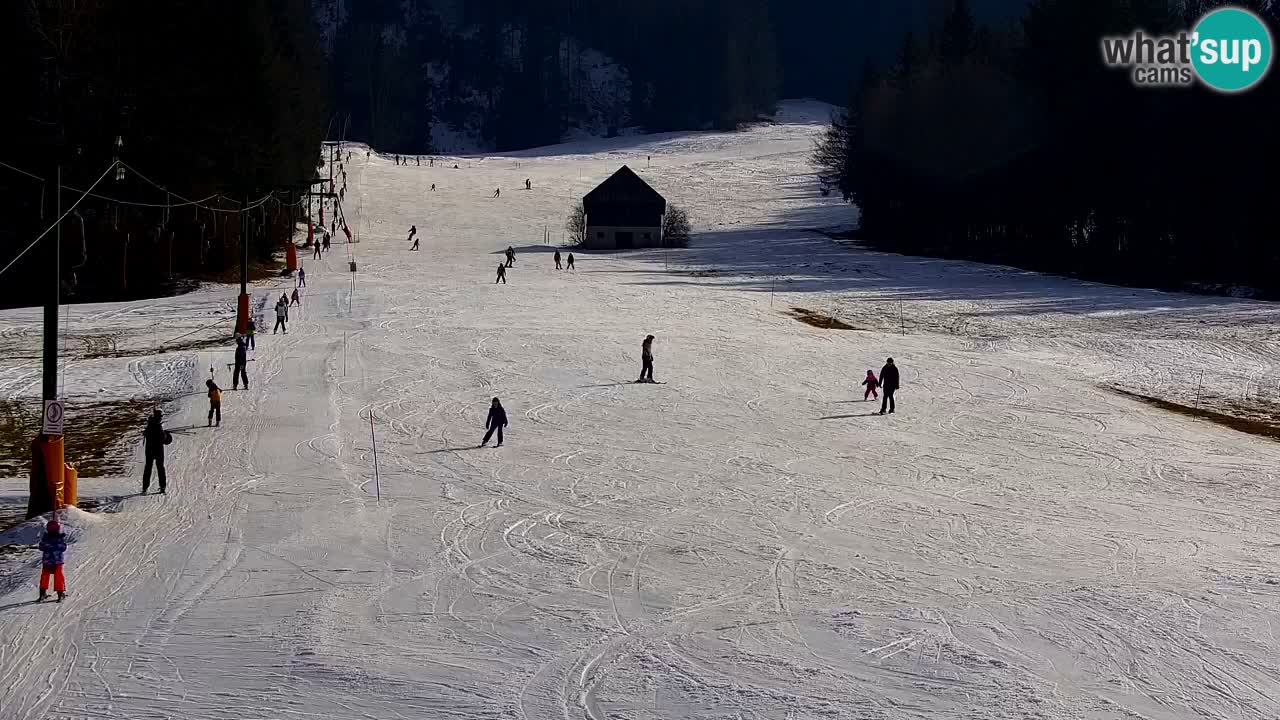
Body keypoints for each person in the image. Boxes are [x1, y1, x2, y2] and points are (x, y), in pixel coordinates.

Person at [142, 409, 171, 495]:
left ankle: (145, 488)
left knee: (148, 468)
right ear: (158, 417)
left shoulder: (149, 425)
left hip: (149, 451)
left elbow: (147, 434)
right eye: (160, 417)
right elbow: (165, 440)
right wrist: (167, 435)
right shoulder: (158, 427)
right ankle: (162, 487)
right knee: (160, 469)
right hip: (158, 451)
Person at [38, 519, 67, 602]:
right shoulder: (59, 538)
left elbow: (41, 547)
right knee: (58, 577)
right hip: (57, 562)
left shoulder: (45, 539)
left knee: (45, 576)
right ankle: (60, 594)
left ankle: (42, 594)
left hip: (47, 561)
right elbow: (63, 548)